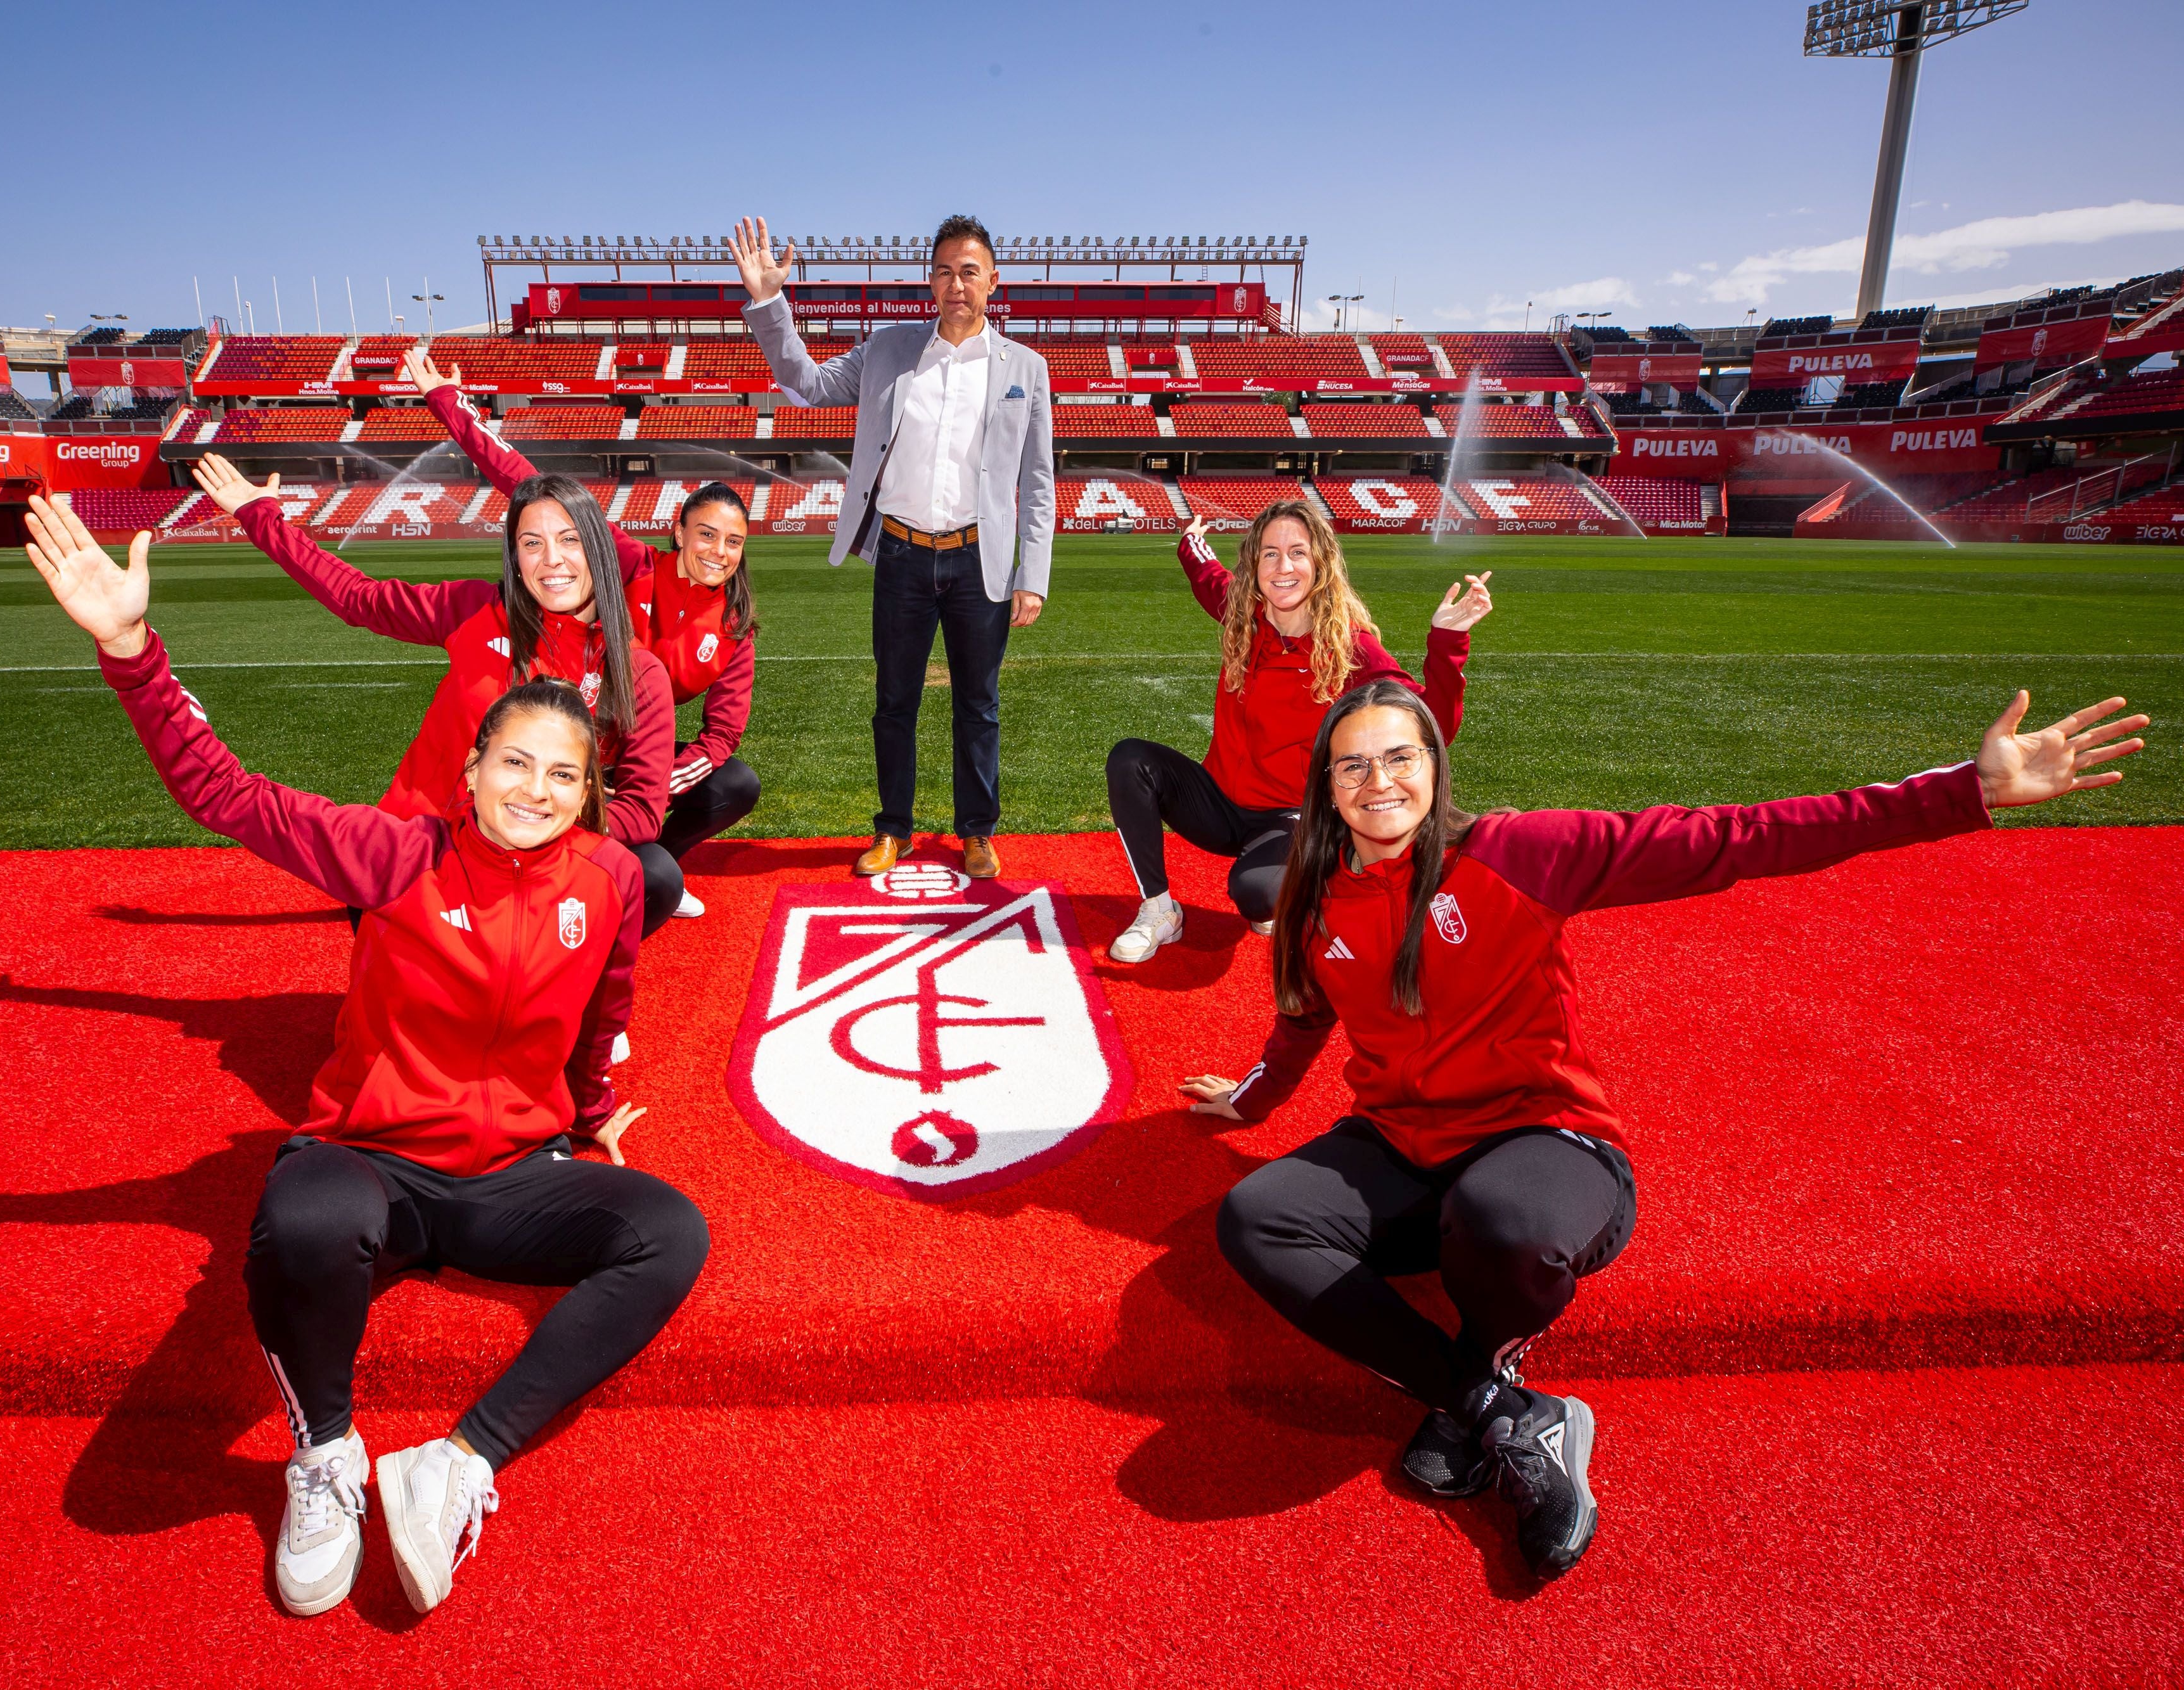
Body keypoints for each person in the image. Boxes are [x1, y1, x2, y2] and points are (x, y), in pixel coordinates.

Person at [1185, 675, 2147, 1579]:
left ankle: (1481, 1364)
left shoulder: (1519, 852)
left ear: (1435, 768)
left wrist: (1961, 792)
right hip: (1401, 1140)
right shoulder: (1313, 893)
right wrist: (1255, 1097)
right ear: (1325, 786)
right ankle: (1494, 1403)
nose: (1377, 781)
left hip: (1544, 1136)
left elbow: (1733, 836)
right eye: (1352, 765)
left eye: (1399, 757)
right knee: (1256, 1215)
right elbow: (1305, 1016)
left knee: (1502, 1223)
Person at [20, 492, 710, 1620]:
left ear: (591, 793)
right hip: (375, 1160)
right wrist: (132, 649)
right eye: (514, 765)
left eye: (561, 775)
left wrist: (596, 1117)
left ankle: (460, 1462)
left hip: (507, 1181)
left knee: (671, 1234)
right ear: (472, 769)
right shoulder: (393, 855)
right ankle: (326, 1456)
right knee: (299, 1217)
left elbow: (603, 1012)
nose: (534, 791)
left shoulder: (615, 880)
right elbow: (225, 792)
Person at [190, 454, 685, 936]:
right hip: (418, 858)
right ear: (514, 557)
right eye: (531, 543)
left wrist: (546, 820)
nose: (551, 560)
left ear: (599, 547)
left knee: (654, 875)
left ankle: (567, 986)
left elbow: (642, 810)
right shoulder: (474, 609)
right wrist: (261, 518)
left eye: (570, 540)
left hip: (532, 866)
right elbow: (359, 598)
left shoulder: (638, 672)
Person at [727, 212, 1056, 879]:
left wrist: (1034, 574)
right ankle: (894, 829)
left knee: (979, 706)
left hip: (980, 562)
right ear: (929, 282)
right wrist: (769, 303)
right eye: (944, 271)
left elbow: (1038, 478)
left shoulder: (1026, 367)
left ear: (993, 281)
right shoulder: (887, 348)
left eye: (969, 271)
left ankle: (975, 831)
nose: (956, 283)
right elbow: (809, 384)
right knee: (894, 701)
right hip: (901, 555)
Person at [390, 346, 763, 917]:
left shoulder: (735, 627)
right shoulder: (628, 562)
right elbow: (525, 480)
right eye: (706, 534)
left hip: (629, 750)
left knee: (736, 784)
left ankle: (644, 853)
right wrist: (450, 406)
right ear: (679, 533)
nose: (717, 552)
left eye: (733, 541)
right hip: (556, 741)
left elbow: (720, 737)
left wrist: (650, 788)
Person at [1105, 502, 1489, 963]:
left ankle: (1304, 875)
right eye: (1269, 554)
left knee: (1255, 894)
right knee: (1130, 759)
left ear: (1320, 563)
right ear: (1254, 564)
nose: (1283, 567)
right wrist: (1191, 540)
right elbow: (1205, 573)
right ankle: (1159, 910)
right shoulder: (1243, 612)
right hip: (1218, 802)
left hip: (1287, 816)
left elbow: (1432, 726)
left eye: (1297, 553)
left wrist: (1448, 642)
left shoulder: (1350, 647)